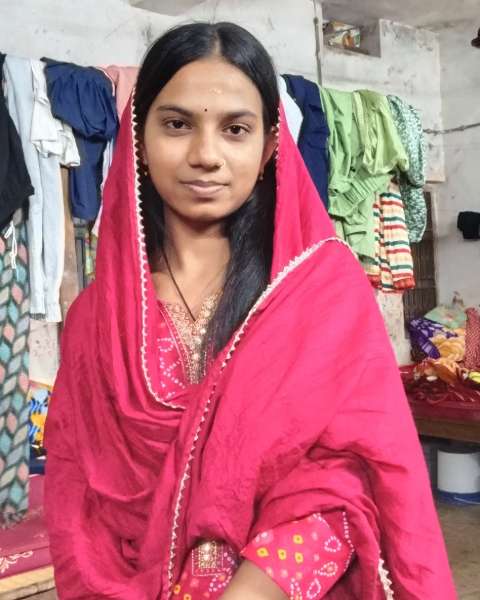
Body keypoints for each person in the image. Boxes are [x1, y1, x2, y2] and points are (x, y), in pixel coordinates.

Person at [45, 22, 456, 600]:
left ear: (267, 149)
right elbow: (74, 493)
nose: (205, 155)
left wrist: (251, 589)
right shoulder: (97, 318)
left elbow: (354, 471)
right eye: (177, 124)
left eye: (234, 129)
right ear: (138, 140)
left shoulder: (321, 292)